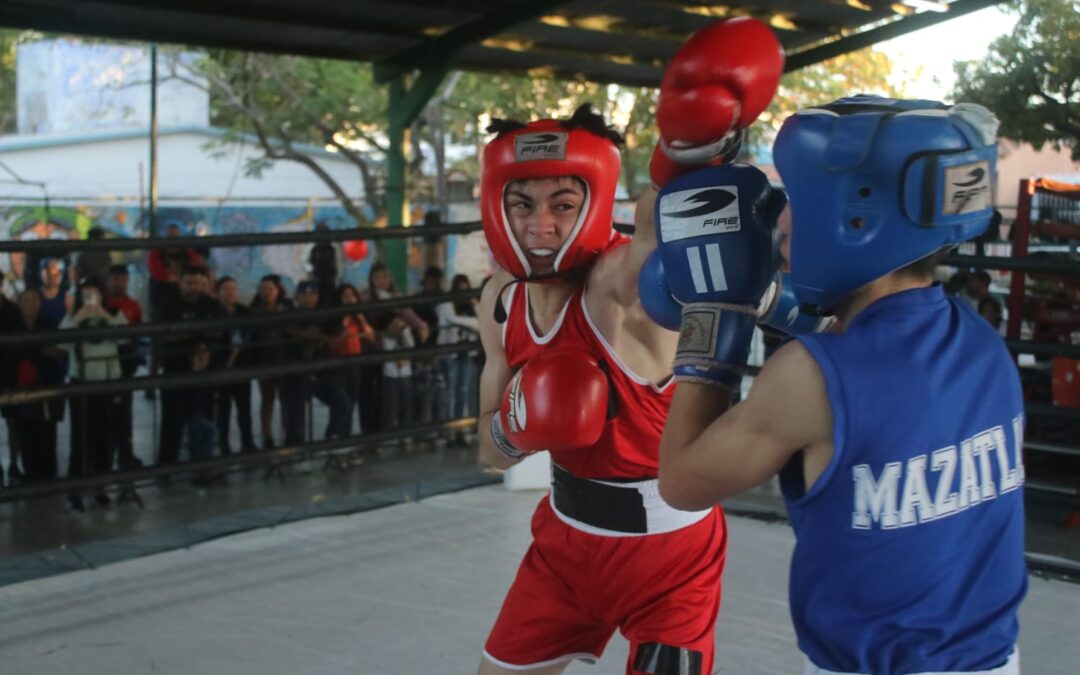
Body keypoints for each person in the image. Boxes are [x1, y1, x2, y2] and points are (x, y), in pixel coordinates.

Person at [654, 97, 1026, 675]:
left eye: (797, 201)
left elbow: (681, 483)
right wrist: (771, 300)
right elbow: (873, 358)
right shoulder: (981, 342)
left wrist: (715, 310)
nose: (778, 220)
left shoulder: (809, 376)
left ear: (859, 217)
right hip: (994, 658)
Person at [473, 87, 780, 672]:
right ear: (496, 206)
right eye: (523, 204)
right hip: (563, 546)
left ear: (593, 203)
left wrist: (692, 142)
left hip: (672, 559)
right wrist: (518, 423)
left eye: (563, 204)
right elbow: (492, 455)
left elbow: (658, 215)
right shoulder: (499, 302)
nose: (541, 225)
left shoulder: (620, 281)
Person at [59, 277, 128, 511]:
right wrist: (78, 317)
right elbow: (62, 343)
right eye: (86, 294)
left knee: (105, 439)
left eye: (94, 294)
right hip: (82, 384)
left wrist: (103, 314)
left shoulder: (113, 313)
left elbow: (126, 336)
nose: (90, 299)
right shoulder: (73, 317)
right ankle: (75, 490)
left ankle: (100, 486)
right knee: (80, 438)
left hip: (108, 383)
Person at [156, 265, 225, 465]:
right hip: (175, 371)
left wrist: (195, 339)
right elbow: (165, 335)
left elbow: (219, 331)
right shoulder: (169, 304)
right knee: (172, 421)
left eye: (197, 283)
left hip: (203, 370)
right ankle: (166, 466)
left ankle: (201, 465)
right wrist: (199, 335)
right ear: (180, 283)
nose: (193, 287)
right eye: (189, 282)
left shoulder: (210, 304)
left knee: (203, 418)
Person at [359, 261, 429, 434]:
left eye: (384, 277)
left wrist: (421, 326)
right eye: (377, 277)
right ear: (371, 279)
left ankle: (392, 431)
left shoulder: (396, 298)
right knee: (370, 394)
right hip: (371, 351)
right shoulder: (365, 298)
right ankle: (371, 433)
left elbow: (412, 318)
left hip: (390, 353)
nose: (381, 281)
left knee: (394, 396)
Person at [6, 289, 66, 483]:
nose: (30, 304)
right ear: (20, 304)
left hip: (46, 382)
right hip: (21, 385)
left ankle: (48, 472)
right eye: (26, 300)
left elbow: (59, 351)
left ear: (39, 303)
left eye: (34, 300)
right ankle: (31, 473)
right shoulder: (12, 326)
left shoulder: (48, 323)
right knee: (26, 429)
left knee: (47, 430)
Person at [282, 280, 350, 444]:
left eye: (313, 295)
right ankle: (295, 445)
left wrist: (335, 336)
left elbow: (340, 331)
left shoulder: (323, 315)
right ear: (297, 297)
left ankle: (331, 436)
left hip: (320, 373)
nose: (309, 298)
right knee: (296, 412)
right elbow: (288, 329)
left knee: (342, 402)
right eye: (304, 295)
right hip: (297, 374)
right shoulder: (291, 314)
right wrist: (322, 338)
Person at [104, 264, 146, 469]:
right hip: (106, 362)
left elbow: (137, 334)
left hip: (126, 363)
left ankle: (125, 452)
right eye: (116, 279)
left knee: (124, 411)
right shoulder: (102, 304)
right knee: (106, 411)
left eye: (123, 279)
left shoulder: (133, 306)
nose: (120, 283)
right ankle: (106, 453)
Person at [248, 275, 291, 449]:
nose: (267, 292)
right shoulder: (254, 312)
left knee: (285, 398)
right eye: (263, 289)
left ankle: (288, 431)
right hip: (264, 360)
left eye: (270, 289)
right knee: (268, 398)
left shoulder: (286, 309)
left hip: (283, 359)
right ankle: (266, 434)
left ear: (277, 291)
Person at [215, 276, 257, 454]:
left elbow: (250, 336)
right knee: (223, 410)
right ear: (218, 292)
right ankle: (223, 444)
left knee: (244, 409)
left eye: (233, 289)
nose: (230, 292)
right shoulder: (214, 312)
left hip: (241, 366)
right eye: (226, 289)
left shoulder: (244, 312)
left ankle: (247, 442)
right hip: (221, 367)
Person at [436, 274, 480, 434]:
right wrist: (470, 322)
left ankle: (462, 430)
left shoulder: (470, 306)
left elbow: (481, 323)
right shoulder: (447, 305)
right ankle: (449, 432)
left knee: (464, 391)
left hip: (467, 354)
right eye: (460, 290)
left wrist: (475, 304)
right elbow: (450, 318)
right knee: (450, 393)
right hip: (450, 354)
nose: (463, 293)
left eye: (466, 290)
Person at [331, 283, 376, 434]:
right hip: (339, 362)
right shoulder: (336, 317)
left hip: (355, 362)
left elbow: (371, 336)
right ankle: (337, 433)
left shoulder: (359, 317)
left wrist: (360, 318)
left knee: (352, 400)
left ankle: (346, 434)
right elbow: (334, 340)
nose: (350, 299)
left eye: (352, 295)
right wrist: (344, 319)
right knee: (341, 401)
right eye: (345, 296)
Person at [307, 222, 343, 305]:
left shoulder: (331, 248)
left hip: (330, 279)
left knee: (330, 300)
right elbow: (309, 262)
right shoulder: (315, 249)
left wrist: (337, 278)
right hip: (318, 279)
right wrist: (312, 271)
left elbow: (337, 264)